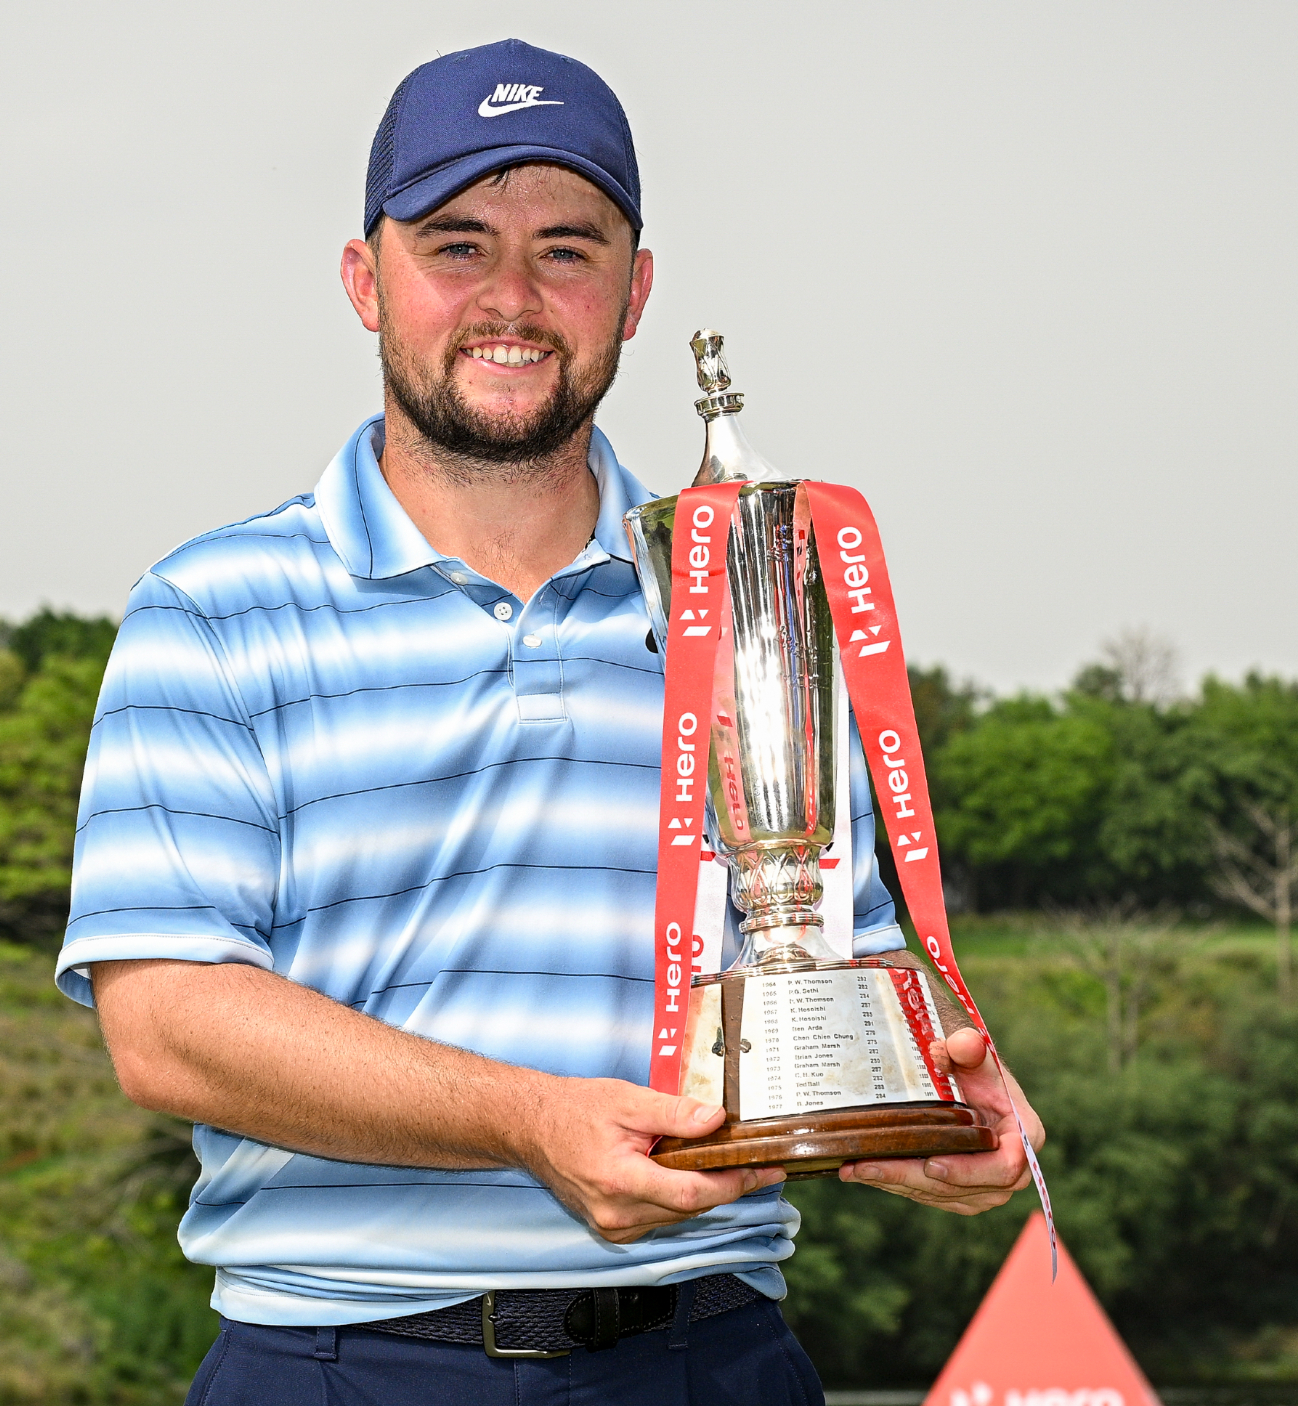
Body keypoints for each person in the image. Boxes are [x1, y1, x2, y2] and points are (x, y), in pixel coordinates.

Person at [57, 37, 1044, 1402]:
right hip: (340, 1361)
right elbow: (164, 1023)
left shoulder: (749, 607)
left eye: (567, 250)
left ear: (635, 292)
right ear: (366, 280)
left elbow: (835, 950)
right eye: (457, 246)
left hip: (709, 1352)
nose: (512, 297)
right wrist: (525, 1120)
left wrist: (928, 1102)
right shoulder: (213, 606)